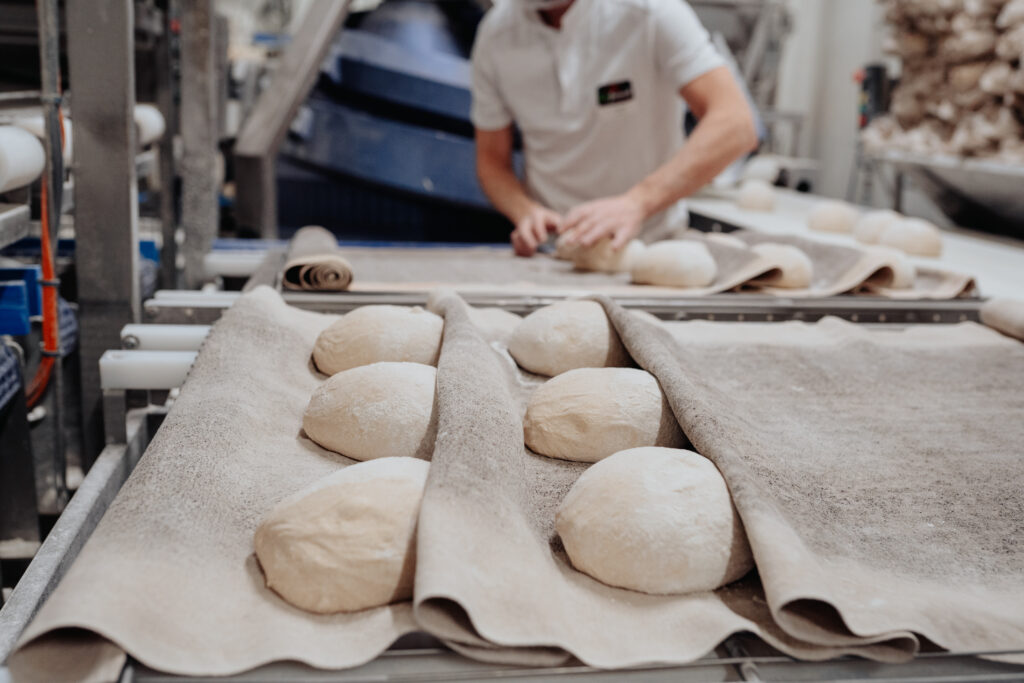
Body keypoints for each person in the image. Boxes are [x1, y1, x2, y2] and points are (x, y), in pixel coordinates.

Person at [471, 0, 758, 256]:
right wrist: (525, 211)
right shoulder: (496, 35)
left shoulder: (651, 14)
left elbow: (735, 124)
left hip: (650, 247)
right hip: (553, 252)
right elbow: (492, 162)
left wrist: (637, 202)